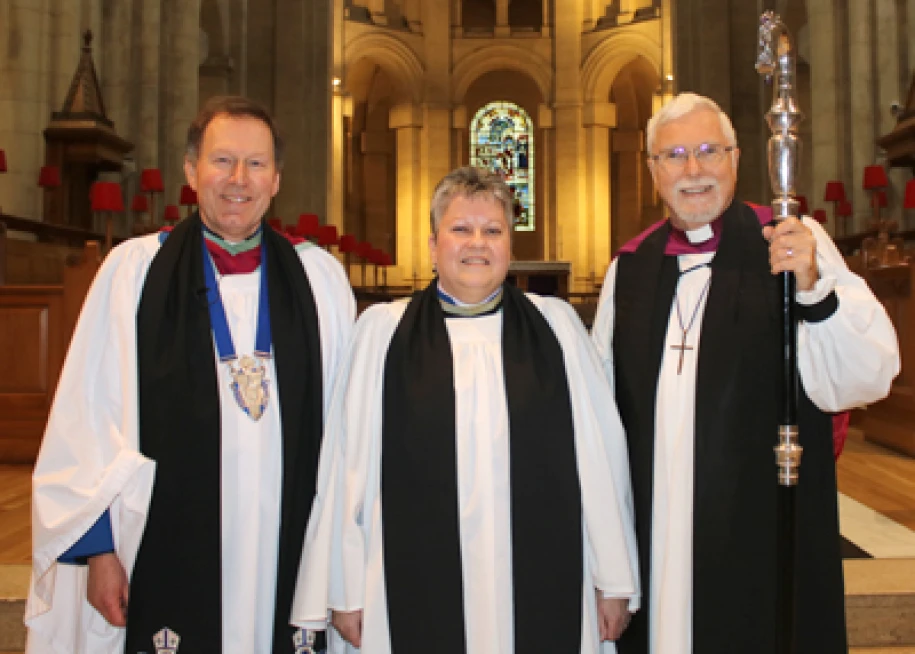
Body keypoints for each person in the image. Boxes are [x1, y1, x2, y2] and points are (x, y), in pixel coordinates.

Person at [25, 95, 355, 654]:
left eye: (255, 163)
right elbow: (85, 420)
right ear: (191, 170)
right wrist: (100, 552)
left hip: (291, 547)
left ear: (276, 179)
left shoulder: (319, 280)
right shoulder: (134, 273)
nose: (238, 179)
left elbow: (350, 437)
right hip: (163, 547)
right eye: (222, 160)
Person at [590, 92, 900, 654]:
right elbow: (600, 420)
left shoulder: (791, 242)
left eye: (709, 150)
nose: (693, 169)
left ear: (735, 159)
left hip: (761, 528)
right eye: (674, 155)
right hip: (654, 532)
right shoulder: (628, 270)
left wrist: (814, 291)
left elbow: (868, 375)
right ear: (654, 171)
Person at [290, 166, 640, 653]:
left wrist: (613, 577)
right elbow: (348, 467)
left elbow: (599, 459)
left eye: (493, 231)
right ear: (433, 246)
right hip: (406, 580)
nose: (478, 243)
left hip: (542, 576)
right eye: (460, 229)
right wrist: (343, 589)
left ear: (510, 247)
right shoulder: (383, 332)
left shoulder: (556, 327)